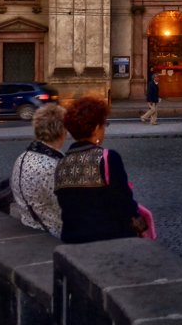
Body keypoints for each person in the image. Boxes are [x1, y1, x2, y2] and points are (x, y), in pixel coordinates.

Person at [54, 97, 144, 243]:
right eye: (104, 124)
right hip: (107, 239)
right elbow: (123, 201)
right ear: (96, 128)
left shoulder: (62, 162)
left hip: (72, 240)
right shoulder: (108, 158)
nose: (104, 130)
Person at [10, 104, 67, 237]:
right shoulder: (52, 167)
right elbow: (66, 208)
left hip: (29, 225)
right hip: (52, 234)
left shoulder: (23, 157)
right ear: (62, 131)